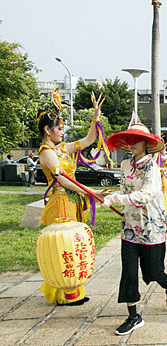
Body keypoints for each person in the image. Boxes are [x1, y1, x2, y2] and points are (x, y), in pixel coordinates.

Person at [104, 123, 167, 335]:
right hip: (129, 226)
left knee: (154, 271)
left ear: (146, 143)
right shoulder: (125, 165)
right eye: (128, 140)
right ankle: (133, 316)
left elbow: (145, 195)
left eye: (136, 139)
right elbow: (124, 190)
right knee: (128, 271)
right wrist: (113, 198)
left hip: (151, 226)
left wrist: (116, 199)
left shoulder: (152, 168)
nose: (132, 144)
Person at [37, 91, 110, 305]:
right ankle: (65, 293)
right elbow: (60, 179)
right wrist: (89, 192)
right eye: (59, 129)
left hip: (73, 202)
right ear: (47, 130)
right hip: (61, 203)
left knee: (74, 244)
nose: (62, 132)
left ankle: (74, 290)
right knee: (64, 247)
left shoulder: (61, 149)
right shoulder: (46, 152)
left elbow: (90, 139)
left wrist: (95, 116)